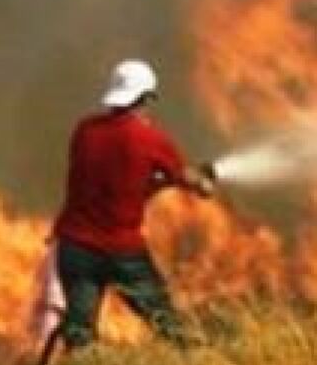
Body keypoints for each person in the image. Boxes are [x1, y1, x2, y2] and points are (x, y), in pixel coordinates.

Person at [50, 59, 217, 350]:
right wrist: (203, 184)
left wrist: (156, 180)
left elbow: (117, 182)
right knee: (168, 323)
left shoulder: (84, 131)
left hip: (74, 248)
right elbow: (183, 176)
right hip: (121, 253)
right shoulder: (149, 138)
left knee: (79, 335)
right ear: (146, 97)